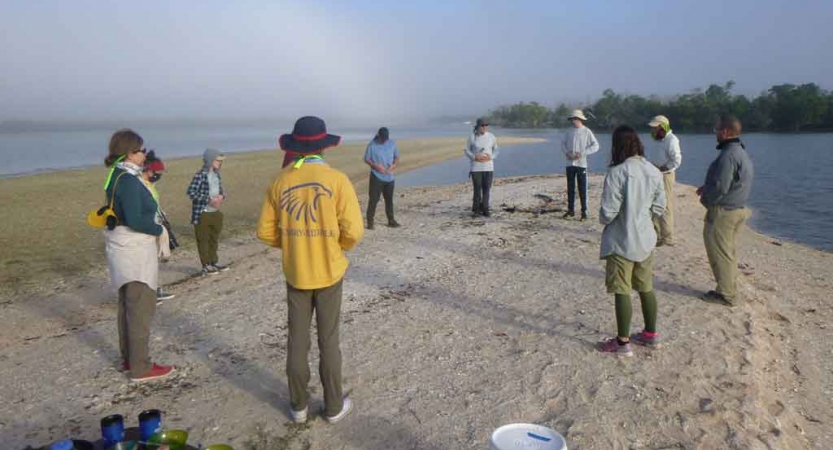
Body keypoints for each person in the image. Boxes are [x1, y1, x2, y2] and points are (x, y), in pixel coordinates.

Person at [257, 116, 364, 424]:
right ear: (324, 146)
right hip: (329, 270)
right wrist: (336, 244)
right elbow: (354, 230)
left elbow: (264, 231)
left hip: (296, 272)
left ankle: (298, 406)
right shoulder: (337, 179)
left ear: (295, 147)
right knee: (328, 339)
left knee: (297, 340)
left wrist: (291, 243)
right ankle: (332, 407)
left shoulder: (281, 180)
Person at [103, 129, 175, 382]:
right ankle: (141, 367)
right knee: (140, 308)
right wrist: (159, 229)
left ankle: (129, 359)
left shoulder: (117, 175)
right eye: (141, 150)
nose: (145, 154)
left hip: (121, 246)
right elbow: (134, 218)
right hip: (134, 249)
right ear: (129, 153)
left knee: (127, 305)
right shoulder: (129, 180)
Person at [598, 126, 666, 356]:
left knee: (622, 289)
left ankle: (623, 342)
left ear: (617, 146)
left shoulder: (617, 172)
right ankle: (650, 335)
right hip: (646, 239)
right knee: (646, 287)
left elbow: (608, 213)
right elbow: (659, 207)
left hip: (620, 239)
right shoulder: (654, 171)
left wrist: (604, 218)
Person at [698, 114, 754, 307]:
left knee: (720, 252)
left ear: (726, 132)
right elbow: (730, 183)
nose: (715, 134)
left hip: (724, 211)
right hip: (736, 208)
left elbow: (721, 187)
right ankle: (727, 289)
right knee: (727, 252)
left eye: (717, 130)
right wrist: (706, 188)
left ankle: (726, 294)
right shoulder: (740, 151)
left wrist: (706, 199)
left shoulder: (728, 155)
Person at [187, 148, 230, 276]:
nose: (220, 163)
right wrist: (208, 200)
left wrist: (222, 196)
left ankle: (213, 262)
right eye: (217, 160)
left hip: (215, 213)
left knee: (214, 239)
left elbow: (221, 191)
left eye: (220, 161)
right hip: (202, 213)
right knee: (203, 240)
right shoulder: (200, 175)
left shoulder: (217, 175)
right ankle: (205, 266)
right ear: (210, 160)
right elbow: (191, 193)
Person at [140, 151, 176, 302]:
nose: (160, 175)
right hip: (146, 229)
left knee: (152, 261)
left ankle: (153, 289)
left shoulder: (149, 184)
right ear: (149, 170)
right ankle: (147, 293)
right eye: (158, 172)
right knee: (145, 262)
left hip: (154, 225)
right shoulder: (140, 185)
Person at [647, 115, 682, 246]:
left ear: (662, 127)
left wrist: (664, 167)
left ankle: (667, 237)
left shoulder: (671, 140)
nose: (654, 129)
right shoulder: (656, 139)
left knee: (666, 205)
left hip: (666, 175)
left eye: (656, 127)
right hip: (654, 174)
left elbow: (677, 160)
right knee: (653, 204)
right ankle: (656, 235)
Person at [561, 109, 600, 221]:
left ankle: (584, 212)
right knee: (570, 188)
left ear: (580, 119)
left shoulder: (587, 131)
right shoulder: (569, 132)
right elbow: (562, 144)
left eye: (575, 119)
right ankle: (570, 211)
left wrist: (583, 153)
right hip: (569, 164)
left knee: (582, 189)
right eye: (572, 119)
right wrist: (567, 153)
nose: (574, 121)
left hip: (581, 164)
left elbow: (595, 146)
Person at [364, 127, 400, 229]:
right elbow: (367, 159)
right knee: (373, 200)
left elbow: (397, 157)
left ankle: (391, 221)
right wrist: (376, 166)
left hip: (390, 178)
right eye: (383, 138)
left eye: (386, 138)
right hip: (376, 177)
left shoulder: (391, 143)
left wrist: (394, 165)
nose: (385, 140)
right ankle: (370, 223)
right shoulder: (372, 145)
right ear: (379, 136)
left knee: (389, 200)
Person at [464, 118, 499, 217]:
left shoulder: (492, 136)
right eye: (482, 125)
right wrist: (475, 157)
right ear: (478, 126)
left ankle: (485, 209)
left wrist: (490, 157)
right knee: (477, 189)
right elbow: (466, 150)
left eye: (486, 125)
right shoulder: (472, 137)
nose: (484, 127)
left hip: (489, 167)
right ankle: (476, 210)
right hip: (476, 168)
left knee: (486, 189)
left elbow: (496, 150)